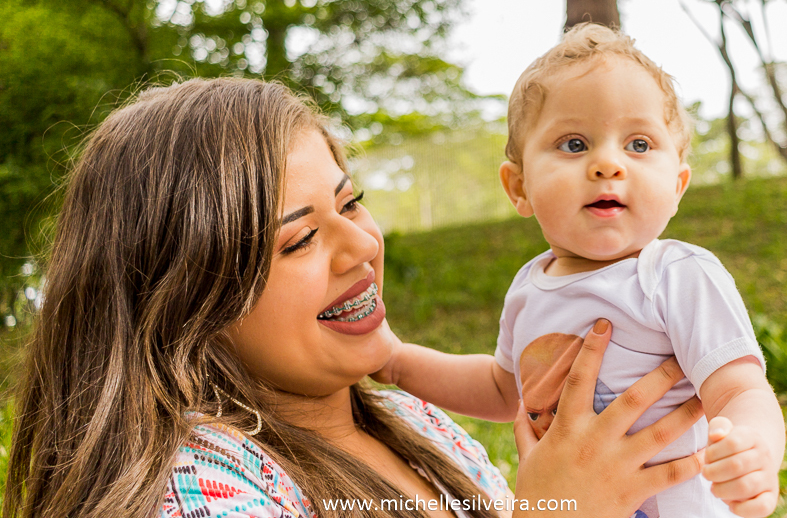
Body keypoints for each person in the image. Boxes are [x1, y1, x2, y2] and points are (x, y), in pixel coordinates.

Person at [2, 77, 708, 518]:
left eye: (351, 204)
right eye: (299, 240)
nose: (362, 245)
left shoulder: (416, 423)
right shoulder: (193, 489)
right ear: (187, 301)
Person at [374, 25, 786, 518]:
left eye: (638, 144)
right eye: (574, 144)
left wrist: (753, 447)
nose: (607, 164)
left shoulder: (675, 275)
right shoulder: (530, 286)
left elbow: (739, 387)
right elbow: (503, 389)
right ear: (519, 187)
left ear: (677, 185)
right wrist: (397, 362)